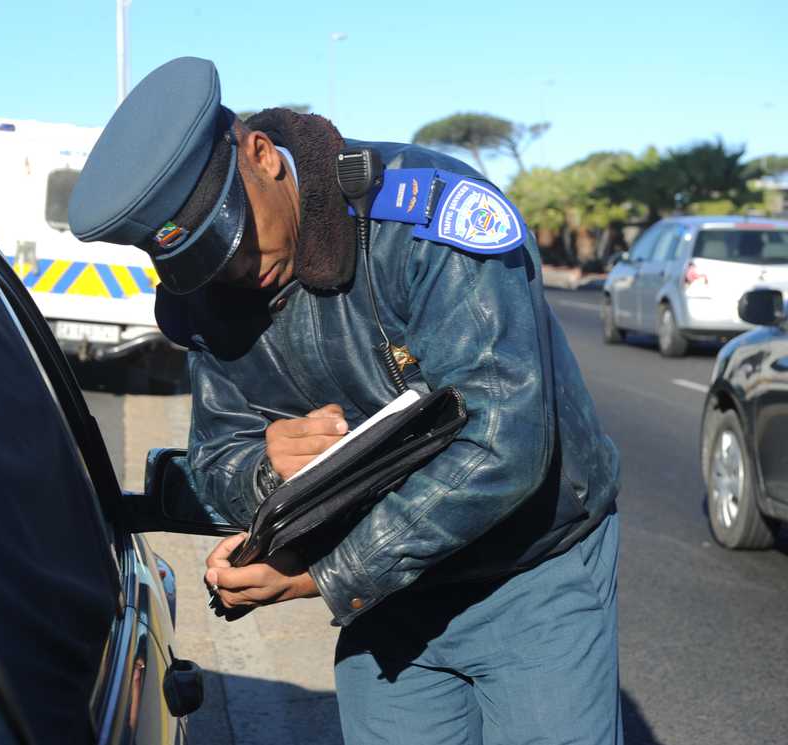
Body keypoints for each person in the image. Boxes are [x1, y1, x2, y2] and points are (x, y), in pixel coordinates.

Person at [68, 57, 622, 745]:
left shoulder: (424, 219)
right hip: (389, 601)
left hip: (530, 566)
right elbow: (215, 458)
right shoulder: (212, 294)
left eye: (233, 240)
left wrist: (326, 576)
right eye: (207, 262)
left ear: (262, 156)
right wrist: (266, 469)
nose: (237, 271)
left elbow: (505, 440)